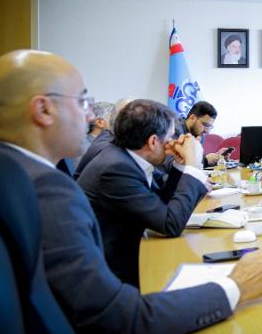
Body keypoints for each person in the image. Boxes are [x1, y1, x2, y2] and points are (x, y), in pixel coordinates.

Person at [0, 50, 262, 334]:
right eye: (82, 101)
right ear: (43, 109)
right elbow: (122, 320)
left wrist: (182, 168)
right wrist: (236, 286)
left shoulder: (16, 174)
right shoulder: (45, 189)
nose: (92, 116)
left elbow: (158, 205)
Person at [77, 99, 209, 288]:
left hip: (130, 251)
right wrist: (193, 165)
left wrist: (180, 165)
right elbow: (170, 224)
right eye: (170, 137)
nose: (173, 143)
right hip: (112, 276)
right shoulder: (116, 169)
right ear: (153, 141)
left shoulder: (124, 157)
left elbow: (161, 205)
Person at [73, 97, 132, 178]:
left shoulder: (104, 142)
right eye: (112, 117)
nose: (118, 121)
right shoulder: (82, 147)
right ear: (99, 122)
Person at [177, 101, 229, 166]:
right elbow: (172, 165)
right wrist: (205, 160)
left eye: (210, 127)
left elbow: (196, 158)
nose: (207, 131)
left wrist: (217, 157)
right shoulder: (175, 129)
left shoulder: (199, 134)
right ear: (192, 118)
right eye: (205, 124)